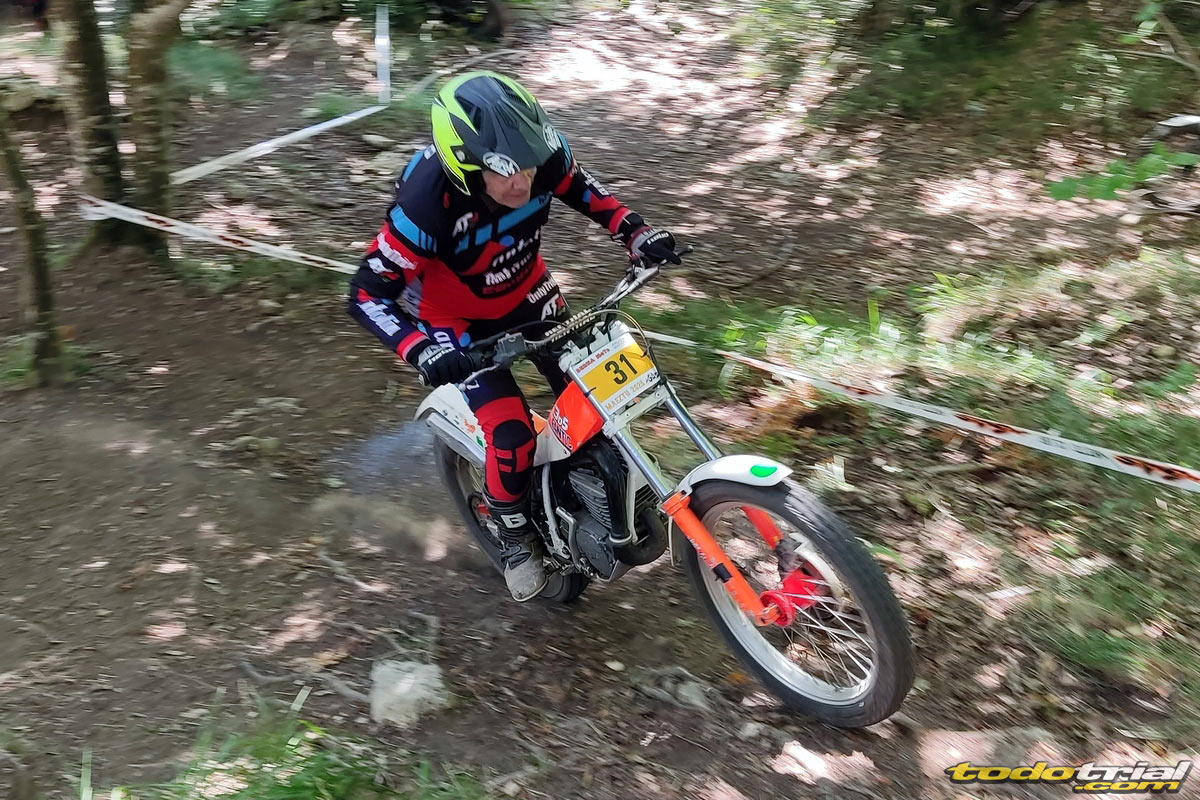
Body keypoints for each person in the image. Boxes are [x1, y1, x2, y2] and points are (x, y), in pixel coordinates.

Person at [348, 71, 679, 601]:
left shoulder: (541, 156)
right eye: (505, 173)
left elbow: (584, 190)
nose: (523, 184)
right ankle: (513, 534)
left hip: (530, 294)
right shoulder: (425, 204)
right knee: (511, 436)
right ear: (464, 165)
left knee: (603, 393)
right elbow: (367, 294)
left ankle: (601, 489)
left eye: (529, 167)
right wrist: (422, 350)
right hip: (456, 325)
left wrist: (635, 231)